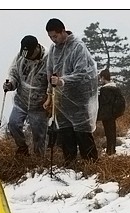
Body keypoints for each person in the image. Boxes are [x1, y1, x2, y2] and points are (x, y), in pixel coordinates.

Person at [43, 18, 99, 164]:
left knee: (82, 131)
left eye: (55, 36)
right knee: (65, 132)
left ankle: (91, 165)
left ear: (63, 31)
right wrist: (49, 96)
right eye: (50, 37)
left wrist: (62, 81)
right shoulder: (53, 50)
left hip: (79, 97)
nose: (53, 40)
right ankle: (70, 165)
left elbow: (82, 73)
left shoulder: (77, 47)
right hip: (61, 99)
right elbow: (50, 73)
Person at [3, 35, 50, 158]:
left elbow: (52, 82)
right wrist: (10, 84)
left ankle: (39, 159)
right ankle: (22, 148)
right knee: (13, 124)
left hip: (39, 104)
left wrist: (49, 98)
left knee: (39, 134)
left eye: (30, 54)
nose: (27, 57)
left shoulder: (49, 59)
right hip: (21, 100)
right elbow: (14, 73)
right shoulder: (21, 56)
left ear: (37, 48)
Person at [96, 69, 126, 156]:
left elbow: (103, 103)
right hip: (113, 114)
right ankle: (112, 150)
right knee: (112, 132)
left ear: (103, 77)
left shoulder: (105, 90)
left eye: (100, 78)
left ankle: (110, 151)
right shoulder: (116, 88)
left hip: (107, 115)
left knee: (108, 133)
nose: (100, 80)